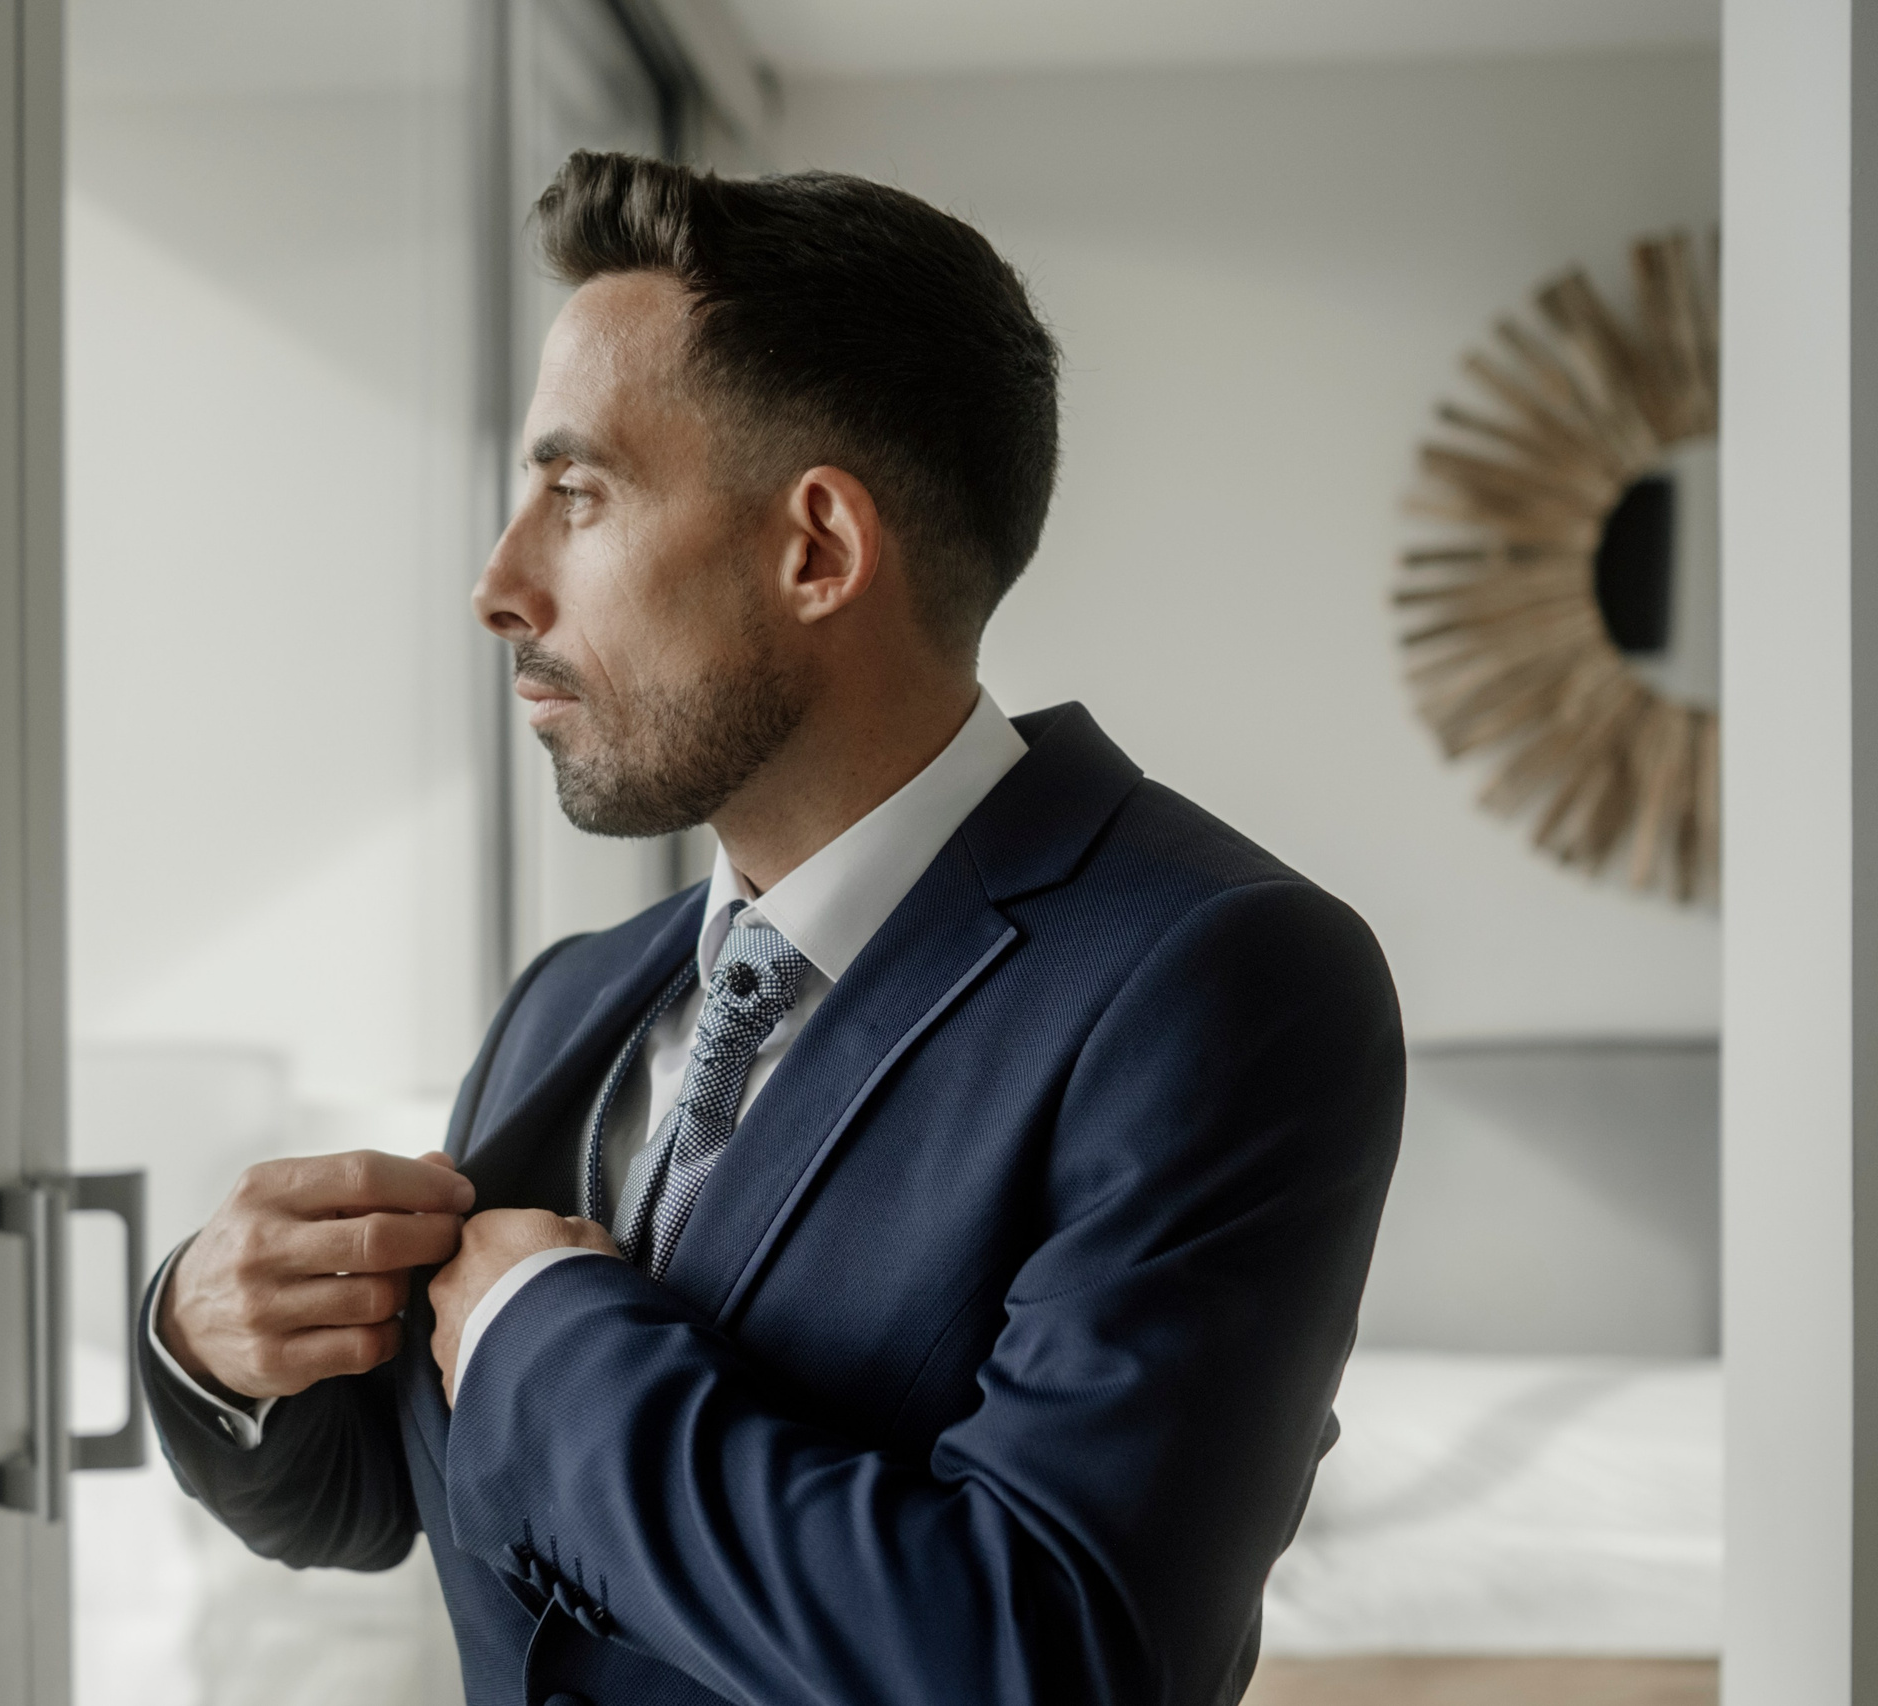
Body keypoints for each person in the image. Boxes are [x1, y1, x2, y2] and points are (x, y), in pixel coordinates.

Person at [138, 150, 1403, 1706]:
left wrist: (550, 1343)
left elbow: (1052, 1655)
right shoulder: (571, 1001)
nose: (499, 583)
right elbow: (391, 1498)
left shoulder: (1220, 980)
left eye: (577, 492)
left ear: (817, 549)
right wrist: (210, 1340)